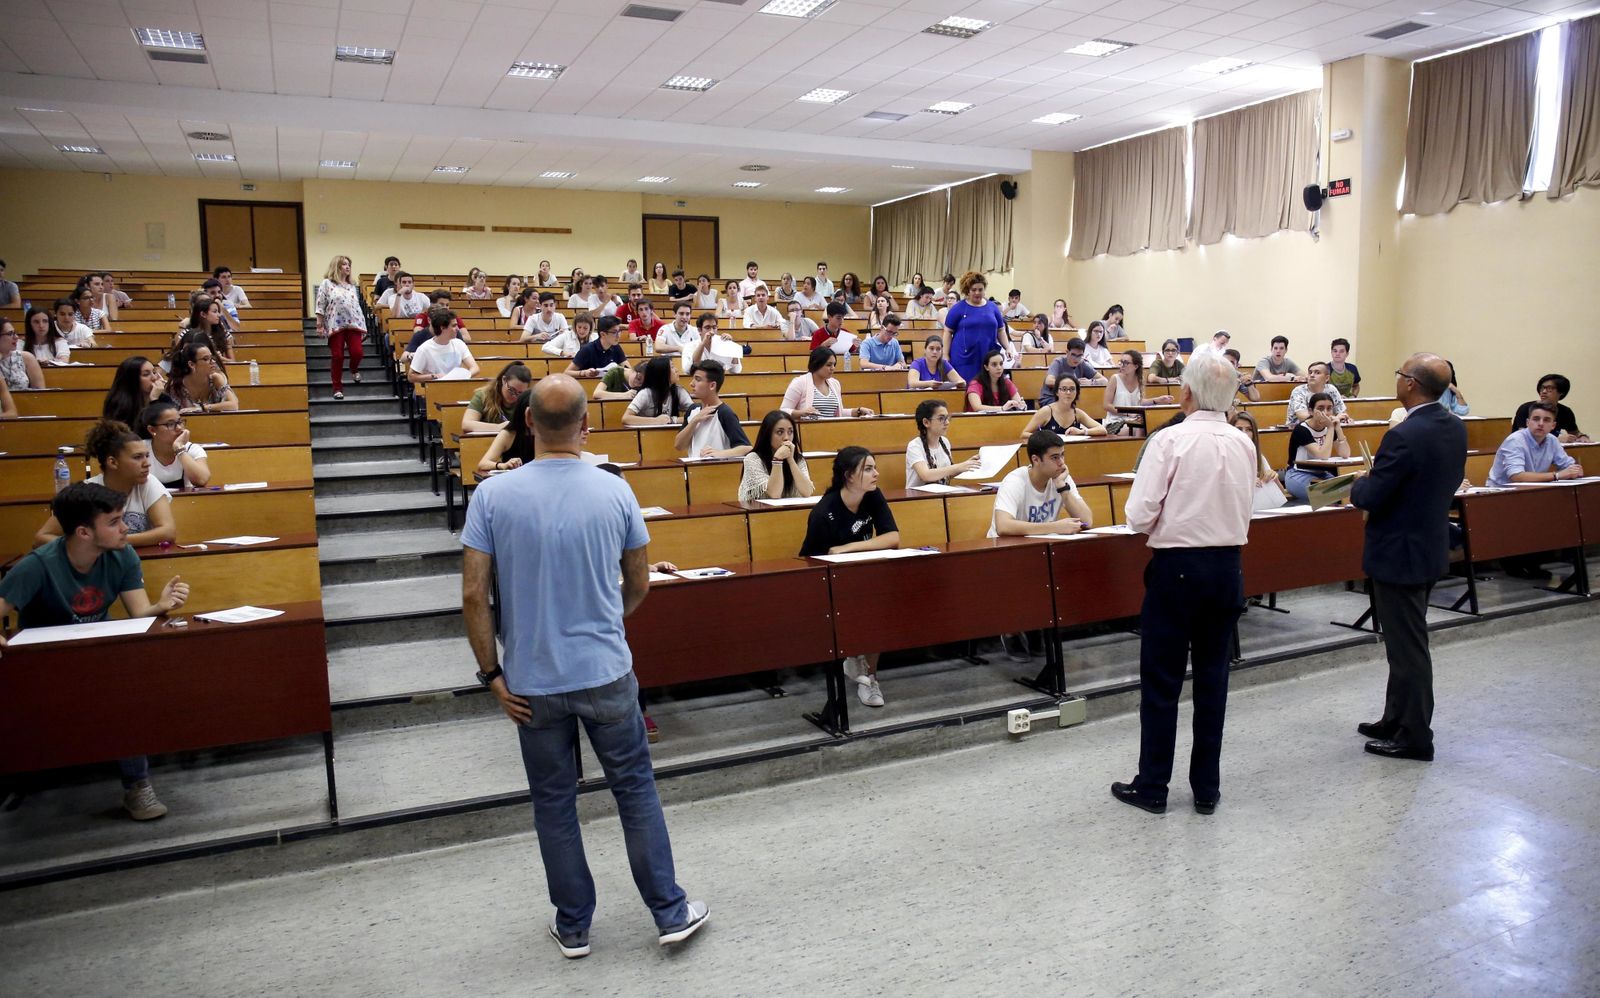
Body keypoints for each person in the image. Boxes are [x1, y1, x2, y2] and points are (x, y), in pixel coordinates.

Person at [460, 375, 709, 956]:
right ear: (586, 426)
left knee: (553, 804)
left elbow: (474, 595)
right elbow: (641, 580)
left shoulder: (492, 496)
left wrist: (491, 676)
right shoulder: (614, 490)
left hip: (530, 681)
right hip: (605, 671)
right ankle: (670, 912)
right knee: (636, 793)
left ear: (526, 426)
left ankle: (573, 926)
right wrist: (606, 617)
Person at [1112, 352, 1255, 815]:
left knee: (1162, 682)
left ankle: (1153, 786)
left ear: (1186, 391)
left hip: (1176, 569)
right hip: (1227, 568)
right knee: (1214, 680)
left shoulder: (1169, 440)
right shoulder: (1243, 443)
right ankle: (1206, 789)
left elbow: (1138, 516)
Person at [0, 482, 190, 820]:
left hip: (95, 654)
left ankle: (137, 786)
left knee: (124, 692)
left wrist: (161, 605)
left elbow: (138, 613)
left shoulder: (122, 555)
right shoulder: (37, 565)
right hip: (44, 660)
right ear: (84, 532)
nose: (126, 527)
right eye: (115, 522)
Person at [1349, 354, 1467, 763]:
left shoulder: (1404, 434)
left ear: (1412, 384)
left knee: (1407, 648)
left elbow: (1373, 495)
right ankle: (1394, 718)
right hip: (1429, 544)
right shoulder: (1454, 427)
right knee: (1404, 643)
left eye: (1400, 374)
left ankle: (1415, 736)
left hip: (1400, 552)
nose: (1397, 379)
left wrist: (1362, 484)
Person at [799, 447, 900, 707]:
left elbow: (893, 537)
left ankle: (868, 675)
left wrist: (849, 548)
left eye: (874, 467)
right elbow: (810, 562)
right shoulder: (824, 513)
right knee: (863, 609)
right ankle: (861, 670)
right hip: (828, 584)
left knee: (878, 606)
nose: (876, 473)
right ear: (849, 476)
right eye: (868, 469)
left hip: (863, 576)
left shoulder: (873, 495)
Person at [37, 420, 177, 548]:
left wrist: (114, 541)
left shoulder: (148, 482)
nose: (147, 463)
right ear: (113, 462)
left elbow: (168, 531)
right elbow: (42, 538)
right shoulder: (85, 492)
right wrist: (84, 545)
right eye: (137, 457)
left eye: (146, 455)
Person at [988, 430, 1092, 537]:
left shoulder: (1062, 478)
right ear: (1036, 459)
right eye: (1055, 457)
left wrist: (1063, 489)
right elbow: (1003, 526)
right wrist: (1055, 527)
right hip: (1005, 547)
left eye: (1062, 455)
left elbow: (1087, 522)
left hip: (1039, 545)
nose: (1062, 462)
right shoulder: (1015, 481)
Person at [1487, 402, 1585, 487]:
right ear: (1528, 422)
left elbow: (1568, 466)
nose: (1541, 423)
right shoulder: (1515, 440)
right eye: (1536, 419)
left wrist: (1575, 470)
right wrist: (1557, 475)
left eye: (1546, 420)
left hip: (1533, 489)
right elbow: (1516, 476)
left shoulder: (1552, 440)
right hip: (1503, 492)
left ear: (1553, 425)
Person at [674, 360, 751, 460]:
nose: (691, 384)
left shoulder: (725, 413)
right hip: (694, 470)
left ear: (712, 385)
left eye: (698, 379)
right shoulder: (692, 410)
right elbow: (679, 446)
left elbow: (747, 448)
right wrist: (695, 421)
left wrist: (720, 453)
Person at [315, 254, 367, 401]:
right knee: (337, 356)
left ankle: (354, 369)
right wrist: (319, 325)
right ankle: (337, 388)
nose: (348, 267)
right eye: (344, 264)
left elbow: (355, 306)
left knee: (357, 353)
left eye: (349, 264)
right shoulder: (327, 283)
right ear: (337, 267)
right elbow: (320, 304)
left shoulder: (352, 286)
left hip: (354, 323)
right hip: (335, 324)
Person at [942, 271, 1009, 383]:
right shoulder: (958, 308)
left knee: (987, 388)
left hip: (987, 356)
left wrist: (1007, 348)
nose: (977, 292)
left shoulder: (992, 307)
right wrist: (945, 354)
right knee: (966, 389)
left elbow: (1001, 330)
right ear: (967, 290)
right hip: (964, 358)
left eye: (980, 289)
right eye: (974, 290)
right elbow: (948, 332)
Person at [1282, 392, 1350, 501]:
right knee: (1325, 495)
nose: (1326, 413)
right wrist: (1331, 428)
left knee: (1347, 490)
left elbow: (1345, 454)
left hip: (1321, 473)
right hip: (1297, 474)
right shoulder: (1302, 429)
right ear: (1311, 411)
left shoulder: (1329, 427)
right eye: (1321, 408)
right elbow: (1322, 455)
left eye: (1329, 408)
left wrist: (1338, 429)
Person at [738, 410, 814, 501]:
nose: (786, 437)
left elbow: (807, 492)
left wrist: (791, 460)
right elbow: (775, 494)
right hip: (759, 512)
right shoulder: (753, 459)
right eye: (780, 432)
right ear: (768, 435)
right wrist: (777, 460)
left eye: (790, 432)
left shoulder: (798, 459)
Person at [905, 399, 980, 487]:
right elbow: (925, 475)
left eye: (947, 418)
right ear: (926, 422)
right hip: (919, 498)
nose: (947, 422)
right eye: (941, 418)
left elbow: (947, 474)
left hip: (940, 495)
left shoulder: (945, 442)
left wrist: (967, 465)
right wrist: (959, 466)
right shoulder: (914, 446)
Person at [783, 347, 874, 419]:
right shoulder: (799, 383)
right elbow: (783, 411)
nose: (833, 368)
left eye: (834, 364)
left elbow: (839, 413)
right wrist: (802, 413)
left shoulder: (835, 384)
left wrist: (858, 411)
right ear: (816, 364)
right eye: (828, 365)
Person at [140, 400, 210, 488]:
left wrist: (179, 449)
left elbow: (202, 480)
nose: (179, 428)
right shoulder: (140, 449)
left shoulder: (191, 449)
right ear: (152, 430)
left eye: (180, 422)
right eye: (171, 424)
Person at [1231, 410, 1287, 511]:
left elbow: (1282, 493)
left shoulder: (1258, 457)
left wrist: (1274, 478)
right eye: (1239, 429)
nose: (1244, 433)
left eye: (1248, 429)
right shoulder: (1226, 457)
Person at [408, 310, 480, 384]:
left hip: (457, 385)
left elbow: (475, 368)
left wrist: (463, 376)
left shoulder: (459, 344)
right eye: (454, 325)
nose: (457, 329)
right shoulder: (424, 349)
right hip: (435, 388)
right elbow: (411, 376)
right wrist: (433, 376)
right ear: (442, 328)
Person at [476, 391, 538, 476]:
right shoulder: (508, 434)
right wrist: (503, 465)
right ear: (527, 413)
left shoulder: (548, 432)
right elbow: (483, 464)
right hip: (515, 480)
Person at [1512, 374, 1589, 442]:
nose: (1544, 391)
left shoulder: (1566, 412)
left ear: (1561, 392)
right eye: (1542, 388)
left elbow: (1575, 432)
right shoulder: (1526, 408)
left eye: (1549, 388)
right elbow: (1523, 436)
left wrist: (1582, 436)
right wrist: (1557, 439)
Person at [167, 341, 239, 414]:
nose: (213, 361)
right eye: (206, 359)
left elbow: (234, 405)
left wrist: (203, 408)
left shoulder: (216, 378)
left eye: (212, 357)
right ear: (191, 364)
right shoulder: (176, 386)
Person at [1023, 375, 1105, 438]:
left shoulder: (1078, 413)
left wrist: (1082, 432)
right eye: (1064, 389)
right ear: (1057, 392)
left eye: (1072, 389)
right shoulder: (1046, 411)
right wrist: (1045, 438)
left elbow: (1102, 429)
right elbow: (1024, 434)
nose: (1068, 392)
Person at [621, 356, 692, 427]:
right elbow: (626, 418)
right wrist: (656, 421)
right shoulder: (645, 393)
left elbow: (696, 413)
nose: (676, 370)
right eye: (672, 367)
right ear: (662, 372)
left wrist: (673, 420)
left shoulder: (679, 391)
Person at [464, 362, 531, 434]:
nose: (514, 395)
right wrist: (498, 427)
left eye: (520, 393)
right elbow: (466, 424)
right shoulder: (483, 395)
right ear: (504, 380)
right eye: (511, 390)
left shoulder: (527, 400)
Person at [1039, 337, 1105, 406]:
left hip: (1070, 398)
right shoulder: (1058, 362)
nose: (1076, 359)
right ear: (1067, 352)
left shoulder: (1082, 363)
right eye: (1073, 355)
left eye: (1079, 355)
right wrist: (1074, 383)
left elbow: (1104, 380)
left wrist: (1091, 382)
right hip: (1051, 398)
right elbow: (1049, 381)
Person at [103, 356, 164, 426]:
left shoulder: (162, 397)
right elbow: (146, 431)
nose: (154, 378)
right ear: (132, 380)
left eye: (154, 372)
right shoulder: (119, 406)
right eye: (146, 374)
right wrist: (154, 400)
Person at [1103, 349, 1152, 437]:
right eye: (1121, 362)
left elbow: (1139, 402)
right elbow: (1106, 405)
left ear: (1136, 366)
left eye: (1126, 363)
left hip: (1133, 420)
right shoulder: (1115, 379)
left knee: (1151, 425)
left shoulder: (1139, 380)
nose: (1122, 365)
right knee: (1140, 428)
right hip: (1115, 422)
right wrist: (1128, 413)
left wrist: (1156, 400)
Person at [1287, 362, 1351, 427]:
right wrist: (1334, 418)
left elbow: (1342, 413)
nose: (1312, 375)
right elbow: (1303, 417)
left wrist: (1343, 418)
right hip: (1299, 430)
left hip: (1325, 428)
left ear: (1327, 378)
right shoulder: (1299, 391)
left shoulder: (1331, 389)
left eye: (1317, 373)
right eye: (1310, 372)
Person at [185, 295, 236, 364]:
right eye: (215, 312)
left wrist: (220, 358)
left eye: (218, 312)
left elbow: (233, 361)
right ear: (203, 314)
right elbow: (186, 360)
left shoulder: (224, 333)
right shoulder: (189, 334)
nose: (218, 315)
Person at [0, 317, 46, 389]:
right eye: (10, 333)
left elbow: (40, 392)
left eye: (15, 333)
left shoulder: (27, 358)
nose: (16, 337)